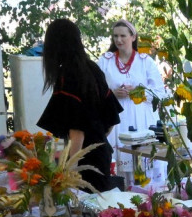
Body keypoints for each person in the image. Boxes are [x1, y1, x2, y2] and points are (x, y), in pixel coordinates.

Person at [37, 18, 123, 192]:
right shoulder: (92, 68)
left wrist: (69, 171)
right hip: (102, 154)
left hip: (85, 163)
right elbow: (111, 120)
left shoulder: (67, 76)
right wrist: (97, 137)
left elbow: (77, 131)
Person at [97, 20, 166, 170]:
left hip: (142, 119)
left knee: (144, 165)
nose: (118, 40)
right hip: (116, 121)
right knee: (118, 164)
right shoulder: (105, 61)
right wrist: (112, 94)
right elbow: (94, 91)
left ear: (133, 37)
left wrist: (139, 92)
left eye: (123, 35)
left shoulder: (146, 62)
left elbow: (161, 95)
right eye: (115, 36)